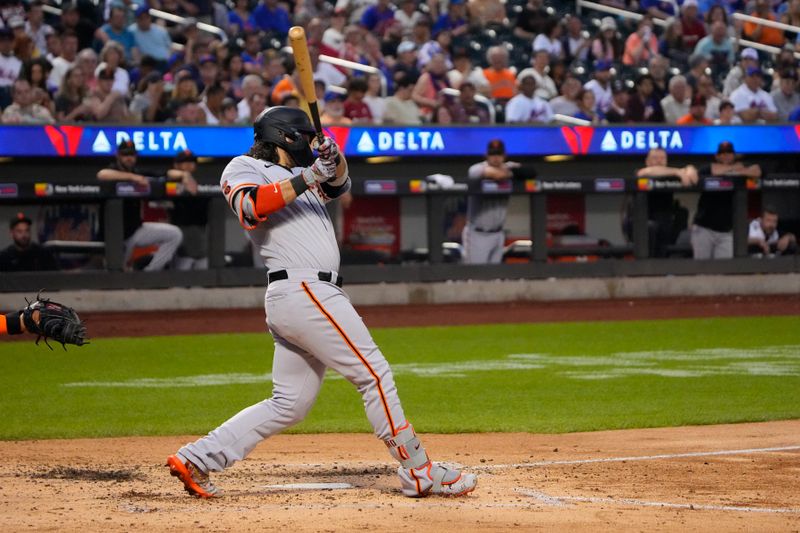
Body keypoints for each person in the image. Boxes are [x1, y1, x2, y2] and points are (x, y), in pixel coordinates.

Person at [165, 106, 478, 499]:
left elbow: (338, 186)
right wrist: (311, 173)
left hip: (305, 295)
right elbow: (249, 208)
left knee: (289, 403)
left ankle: (198, 457)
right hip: (303, 289)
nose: (311, 148)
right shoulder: (243, 166)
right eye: (307, 139)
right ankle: (418, 469)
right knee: (374, 374)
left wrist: (335, 159)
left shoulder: (303, 178)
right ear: (287, 137)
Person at [96, 140, 183, 271]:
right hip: (114, 237)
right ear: (118, 155)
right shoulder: (113, 170)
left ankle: (149, 274)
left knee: (174, 234)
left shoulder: (139, 172)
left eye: (132, 155)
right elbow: (102, 174)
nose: (129, 158)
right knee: (115, 274)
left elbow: (167, 173)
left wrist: (184, 174)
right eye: (125, 155)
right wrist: (132, 177)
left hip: (136, 231)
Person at [692, 141, 762, 260]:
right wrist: (735, 169)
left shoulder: (743, 166)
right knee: (701, 270)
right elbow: (711, 171)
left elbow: (757, 171)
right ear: (717, 156)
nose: (725, 156)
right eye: (722, 153)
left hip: (727, 231)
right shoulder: (707, 168)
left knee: (722, 273)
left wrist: (736, 171)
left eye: (729, 153)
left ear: (734, 155)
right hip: (704, 229)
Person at [461, 139, 524, 264]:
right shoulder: (476, 169)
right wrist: (512, 173)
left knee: (495, 276)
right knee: (476, 275)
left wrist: (510, 171)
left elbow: (530, 171)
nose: (495, 158)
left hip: (498, 233)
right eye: (492, 154)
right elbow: (496, 175)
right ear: (486, 155)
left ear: (504, 155)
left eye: (499, 154)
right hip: (478, 234)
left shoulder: (509, 167)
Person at [627, 148, 698, 258]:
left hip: (665, 222)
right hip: (641, 222)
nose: (659, 161)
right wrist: (678, 171)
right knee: (651, 228)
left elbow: (693, 175)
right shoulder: (641, 171)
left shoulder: (672, 174)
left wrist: (689, 169)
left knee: (680, 214)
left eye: (662, 158)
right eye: (655, 158)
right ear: (647, 161)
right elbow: (646, 172)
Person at [168, 150, 209, 270]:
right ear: (176, 165)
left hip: (199, 230)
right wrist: (184, 176)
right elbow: (168, 173)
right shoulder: (171, 181)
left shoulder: (199, 182)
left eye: (191, 162)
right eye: (184, 162)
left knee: (201, 262)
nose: (189, 164)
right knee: (184, 262)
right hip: (181, 228)